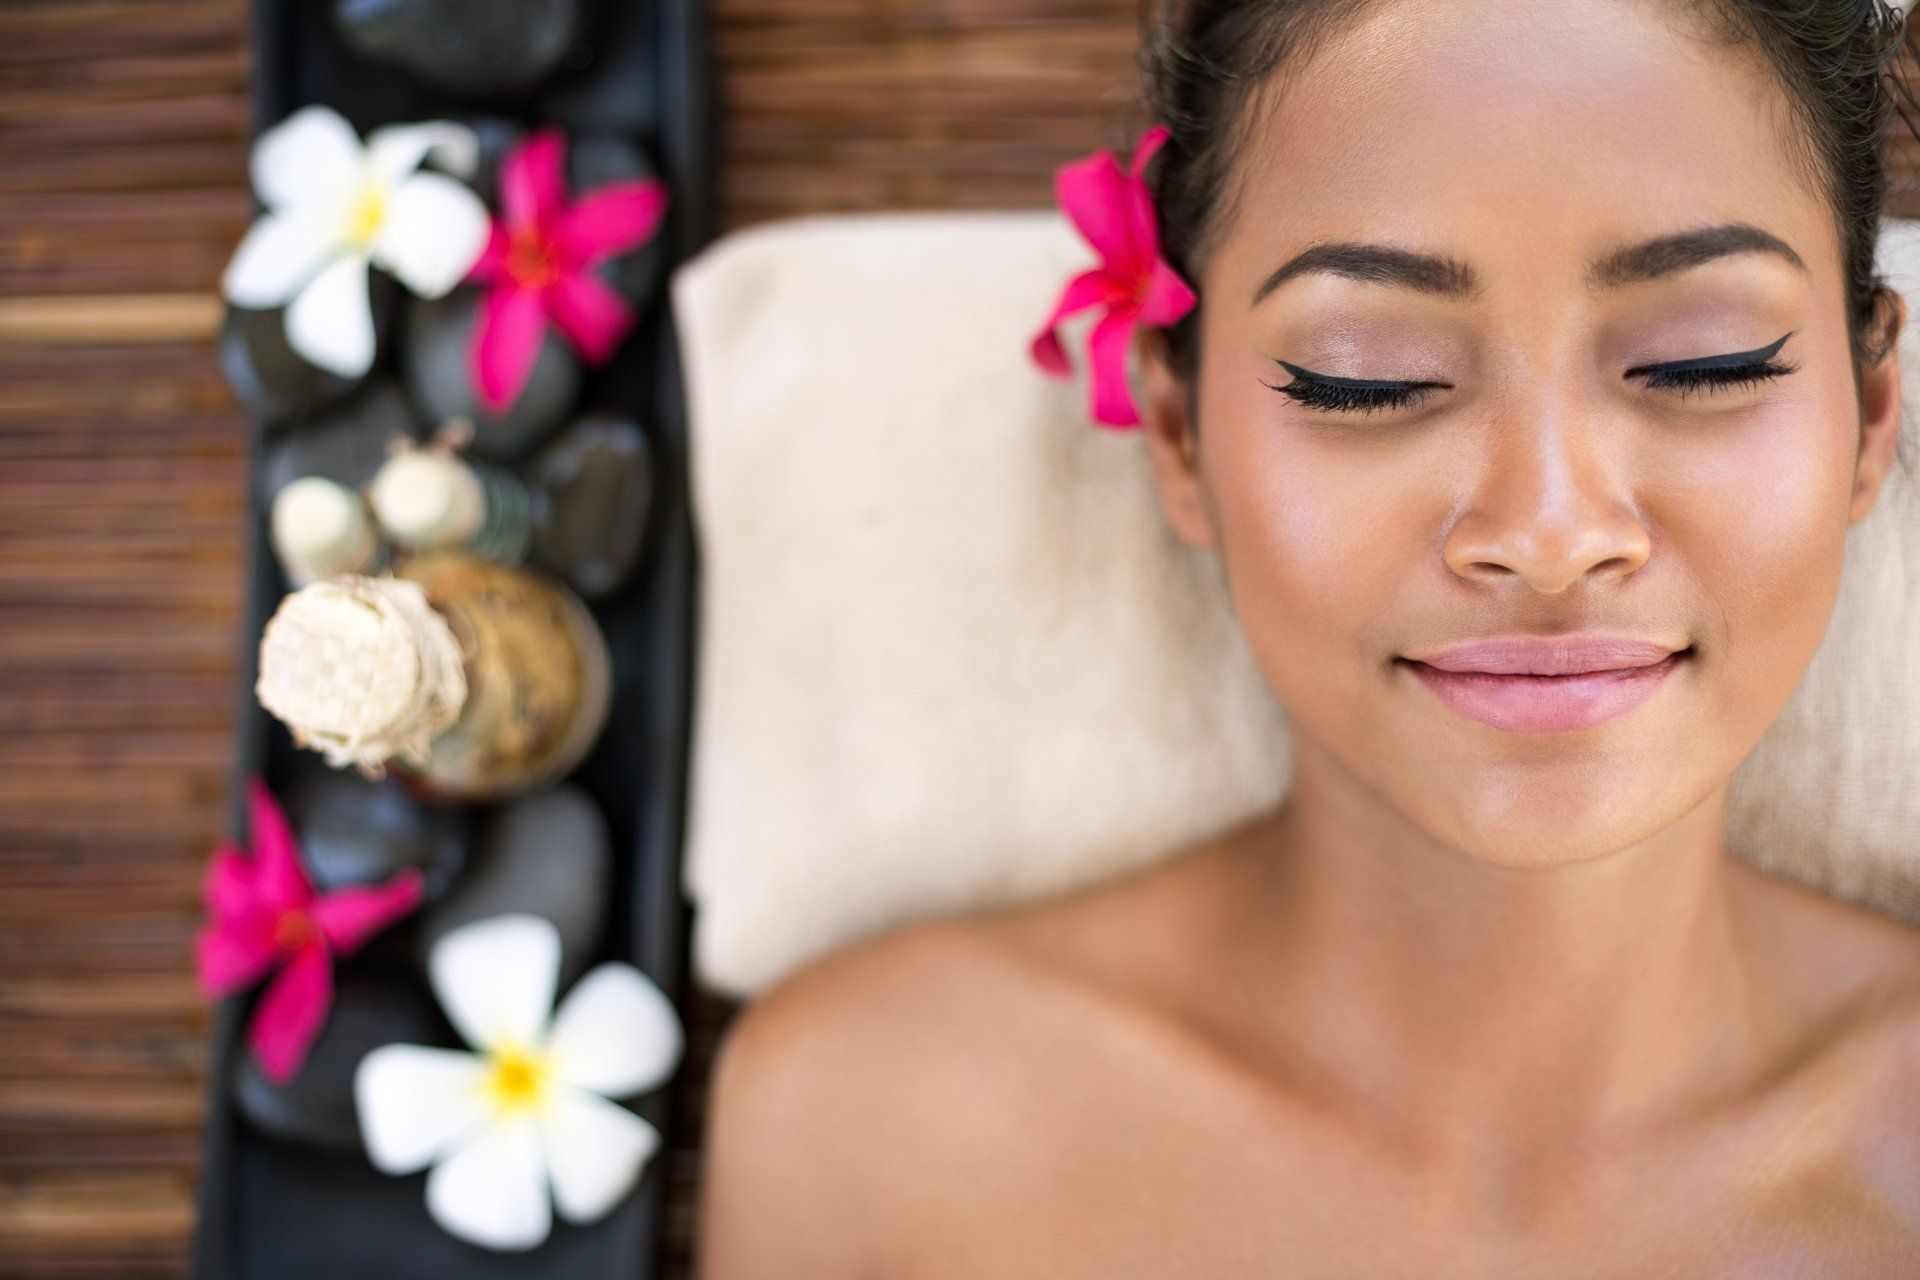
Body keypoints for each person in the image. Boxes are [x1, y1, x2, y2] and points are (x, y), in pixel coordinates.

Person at [695, 0, 1920, 1272]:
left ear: (1871, 412)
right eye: (1365, 375)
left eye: (1700, 359)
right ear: (1179, 432)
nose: (1549, 531)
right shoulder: (877, 1131)